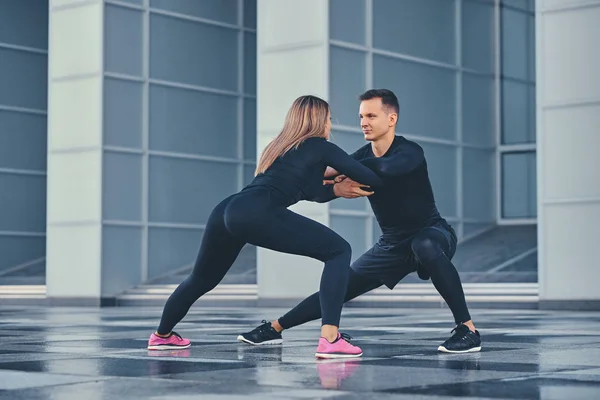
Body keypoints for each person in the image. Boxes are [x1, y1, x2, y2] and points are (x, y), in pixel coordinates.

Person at [238, 89, 482, 354]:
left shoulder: (410, 151)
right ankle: (274, 328)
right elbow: (323, 185)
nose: (364, 122)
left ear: (391, 119)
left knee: (424, 245)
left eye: (371, 115)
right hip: (391, 246)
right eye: (361, 116)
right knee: (341, 286)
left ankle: (468, 330)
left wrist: (340, 169)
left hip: (433, 233)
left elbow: (387, 169)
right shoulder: (358, 157)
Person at [147, 95, 385, 359]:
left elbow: (310, 191)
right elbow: (371, 177)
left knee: (201, 278)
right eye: (329, 119)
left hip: (227, 210)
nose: (330, 124)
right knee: (338, 250)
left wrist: (336, 187)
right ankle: (330, 339)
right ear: (320, 119)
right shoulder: (320, 146)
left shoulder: (280, 148)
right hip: (255, 212)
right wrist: (371, 168)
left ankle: (162, 336)